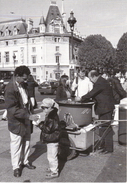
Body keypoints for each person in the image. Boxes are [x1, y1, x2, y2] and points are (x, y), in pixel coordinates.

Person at [4, 66, 39, 177]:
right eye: (24, 79)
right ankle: (16, 166)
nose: (26, 81)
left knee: (27, 141)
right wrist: (28, 116)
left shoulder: (23, 84)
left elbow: (26, 101)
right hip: (16, 121)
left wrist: (31, 113)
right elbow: (12, 109)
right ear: (17, 76)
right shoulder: (10, 88)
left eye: (26, 78)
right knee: (16, 144)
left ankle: (25, 161)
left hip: (26, 118)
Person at [77, 70, 115, 154]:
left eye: (90, 78)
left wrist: (81, 99)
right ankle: (104, 145)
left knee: (106, 127)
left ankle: (108, 148)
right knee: (103, 126)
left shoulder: (100, 83)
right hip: (105, 107)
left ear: (94, 76)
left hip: (106, 108)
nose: (90, 80)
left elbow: (92, 93)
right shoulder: (101, 81)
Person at [35, 98, 60, 179]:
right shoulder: (51, 114)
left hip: (53, 139)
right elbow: (48, 126)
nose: (43, 110)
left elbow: (47, 129)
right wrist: (41, 123)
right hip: (52, 139)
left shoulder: (51, 117)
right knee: (51, 155)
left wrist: (38, 124)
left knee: (52, 156)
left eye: (45, 108)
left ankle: (54, 172)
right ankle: (53, 168)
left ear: (50, 108)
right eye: (42, 108)